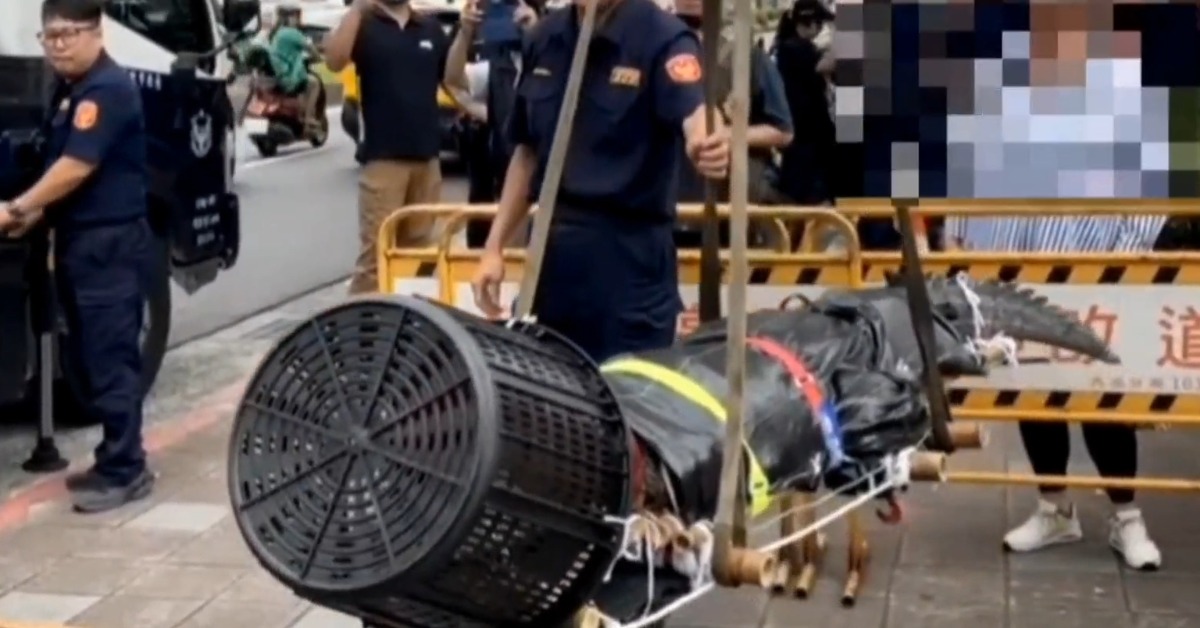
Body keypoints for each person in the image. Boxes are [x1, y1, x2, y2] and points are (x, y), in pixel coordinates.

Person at [943, 2, 1163, 570]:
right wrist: (959, 238)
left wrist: (1120, 259)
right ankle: (1055, 506)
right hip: (1011, 266)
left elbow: (1152, 185)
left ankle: (1127, 515)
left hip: (1092, 270)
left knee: (1101, 394)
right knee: (1033, 390)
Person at [470, 0, 730, 363]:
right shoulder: (544, 37)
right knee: (545, 387)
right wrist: (493, 247)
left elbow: (695, 110)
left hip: (630, 266)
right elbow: (528, 153)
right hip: (553, 260)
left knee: (626, 389)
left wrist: (706, 141)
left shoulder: (663, 37)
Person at [0, 0, 154, 513]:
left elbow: (75, 167)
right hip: (79, 242)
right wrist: (35, 216)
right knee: (88, 357)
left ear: (97, 32)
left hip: (109, 245)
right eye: (50, 36)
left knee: (111, 358)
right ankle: (112, 458)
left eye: (69, 33)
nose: (59, 45)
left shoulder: (107, 90)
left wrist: (18, 207)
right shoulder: (71, 90)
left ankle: (128, 469)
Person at [325, 0, 450, 294]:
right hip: (383, 159)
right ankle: (361, 321)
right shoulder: (364, 24)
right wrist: (357, 8)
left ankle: (407, 319)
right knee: (375, 258)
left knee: (418, 258)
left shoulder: (430, 29)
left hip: (427, 159)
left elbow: (452, 80)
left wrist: (468, 32)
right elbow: (334, 62)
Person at [670, 0, 793, 249]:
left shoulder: (747, 58)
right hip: (668, 205)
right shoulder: (655, 55)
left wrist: (725, 134)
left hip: (730, 203)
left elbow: (783, 131)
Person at [443, 0, 541, 246]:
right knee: (511, 252)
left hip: (550, 184)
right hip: (508, 177)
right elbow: (454, 78)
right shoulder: (498, 66)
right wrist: (465, 33)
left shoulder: (554, 58)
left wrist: (537, 34)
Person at [774, 0, 834, 208]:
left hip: (800, 143)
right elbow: (825, 65)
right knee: (816, 205)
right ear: (810, 23)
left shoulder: (784, 49)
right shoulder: (799, 51)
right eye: (820, 24)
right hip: (809, 143)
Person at [267, 4, 323, 134]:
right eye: (296, 16)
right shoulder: (292, 33)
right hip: (289, 77)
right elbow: (311, 49)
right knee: (314, 83)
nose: (298, 20)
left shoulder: (275, 33)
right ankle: (308, 118)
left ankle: (300, 113)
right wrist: (318, 57)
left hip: (279, 74)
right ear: (290, 18)